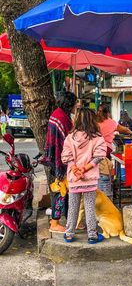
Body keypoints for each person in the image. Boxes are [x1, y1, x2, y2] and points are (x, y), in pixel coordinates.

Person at [61, 107, 107, 243]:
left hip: (74, 179)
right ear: (92, 120)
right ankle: (92, 236)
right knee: (89, 207)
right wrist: (85, 169)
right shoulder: (97, 138)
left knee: (73, 207)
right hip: (90, 179)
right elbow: (99, 156)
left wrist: (76, 170)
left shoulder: (70, 138)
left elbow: (66, 156)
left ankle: (69, 234)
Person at [44, 91, 77, 233]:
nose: (77, 105)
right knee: (61, 190)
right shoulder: (61, 118)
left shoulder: (60, 114)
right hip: (59, 160)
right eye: (75, 102)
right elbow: (66, 141)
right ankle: (54, 223)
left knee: (64, 190)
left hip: (57, 158)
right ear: (69, 104)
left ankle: (68, 219)